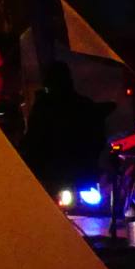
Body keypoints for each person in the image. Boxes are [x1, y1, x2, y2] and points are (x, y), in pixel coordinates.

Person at [25, 61, 113, 198]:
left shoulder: (45, 106)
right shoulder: (82, 105)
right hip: (69, 173)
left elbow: (33, 138)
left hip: (57, 173)